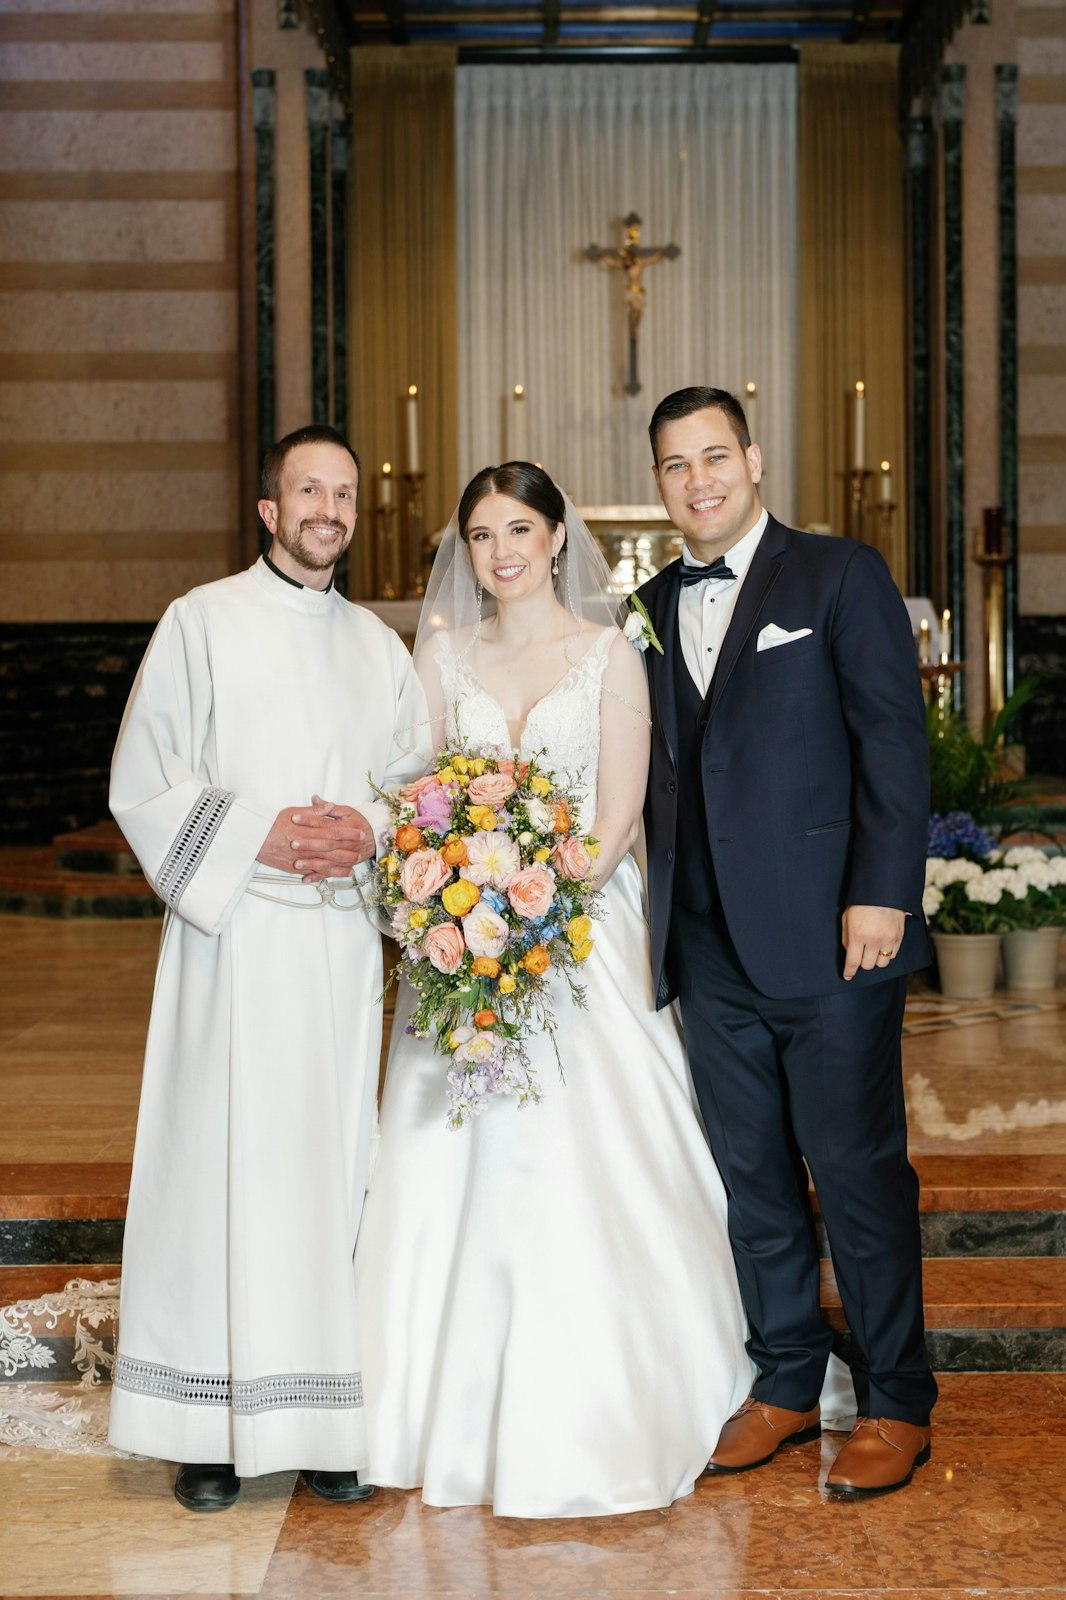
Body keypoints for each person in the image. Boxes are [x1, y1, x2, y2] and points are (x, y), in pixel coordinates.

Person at [353, 461, 853, 1518]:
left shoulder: (611, 650)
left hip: (580, 929)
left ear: (554, 534)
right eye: (482, 533)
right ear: (465, 550)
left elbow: (620, 815)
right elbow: (413, 787)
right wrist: (456, 889)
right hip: (463, 940)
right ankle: (421, 1402)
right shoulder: (439, 653)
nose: (501, 552)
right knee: (446, 1158)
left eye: (519, 528)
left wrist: (529, 891)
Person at [108, 425, 426, 1510]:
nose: (328, 508)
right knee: (219, 1171)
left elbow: (416, 780)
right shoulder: (199, 622)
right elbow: (145, 777)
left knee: (326, 1168)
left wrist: (370, 831)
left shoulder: (379, 649)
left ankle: (322, 1418)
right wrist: (259, 835)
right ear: (268, 508)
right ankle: (207, 1425)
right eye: (309, 490)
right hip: (231, 941)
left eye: (344, 491)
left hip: (336, 945)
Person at [637, 386, 936, 1500]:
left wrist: (881, 893)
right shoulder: (652, 602)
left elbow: (890, 743)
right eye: (675, 464)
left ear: (754, 459)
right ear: (660, 481)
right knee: (751, 1177)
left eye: (714, 455)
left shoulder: (837, 575)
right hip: (706, 948)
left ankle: (898, 1399)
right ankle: (783, 1379)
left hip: (830, 937)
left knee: (856, 1174)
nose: (697, 479)